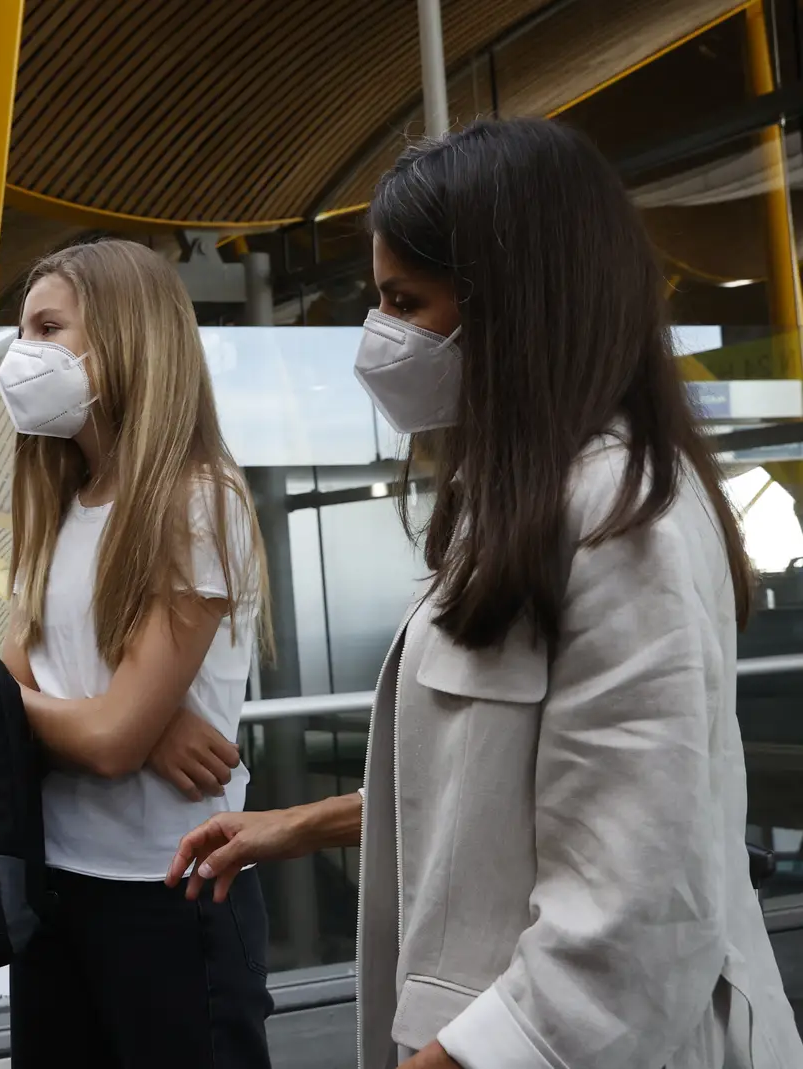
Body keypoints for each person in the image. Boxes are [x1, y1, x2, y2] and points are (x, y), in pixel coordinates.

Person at [172, 118, 803, 1069]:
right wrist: (301, 824)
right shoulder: (525, 505)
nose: (378, 338)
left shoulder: (623, 523)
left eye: (403, 300)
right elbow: (503, 789)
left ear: (516, 304)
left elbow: (630, 922)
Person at [0, 239, 274, 1068]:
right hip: (58, 888)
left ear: (124, 336)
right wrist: (143, 720)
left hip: (174, 891)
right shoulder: (61, 500)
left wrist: (128, 723)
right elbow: (16, 674)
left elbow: (101, 736)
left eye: (49, 327)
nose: (24, 354)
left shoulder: (197, 498)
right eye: (22, 330)